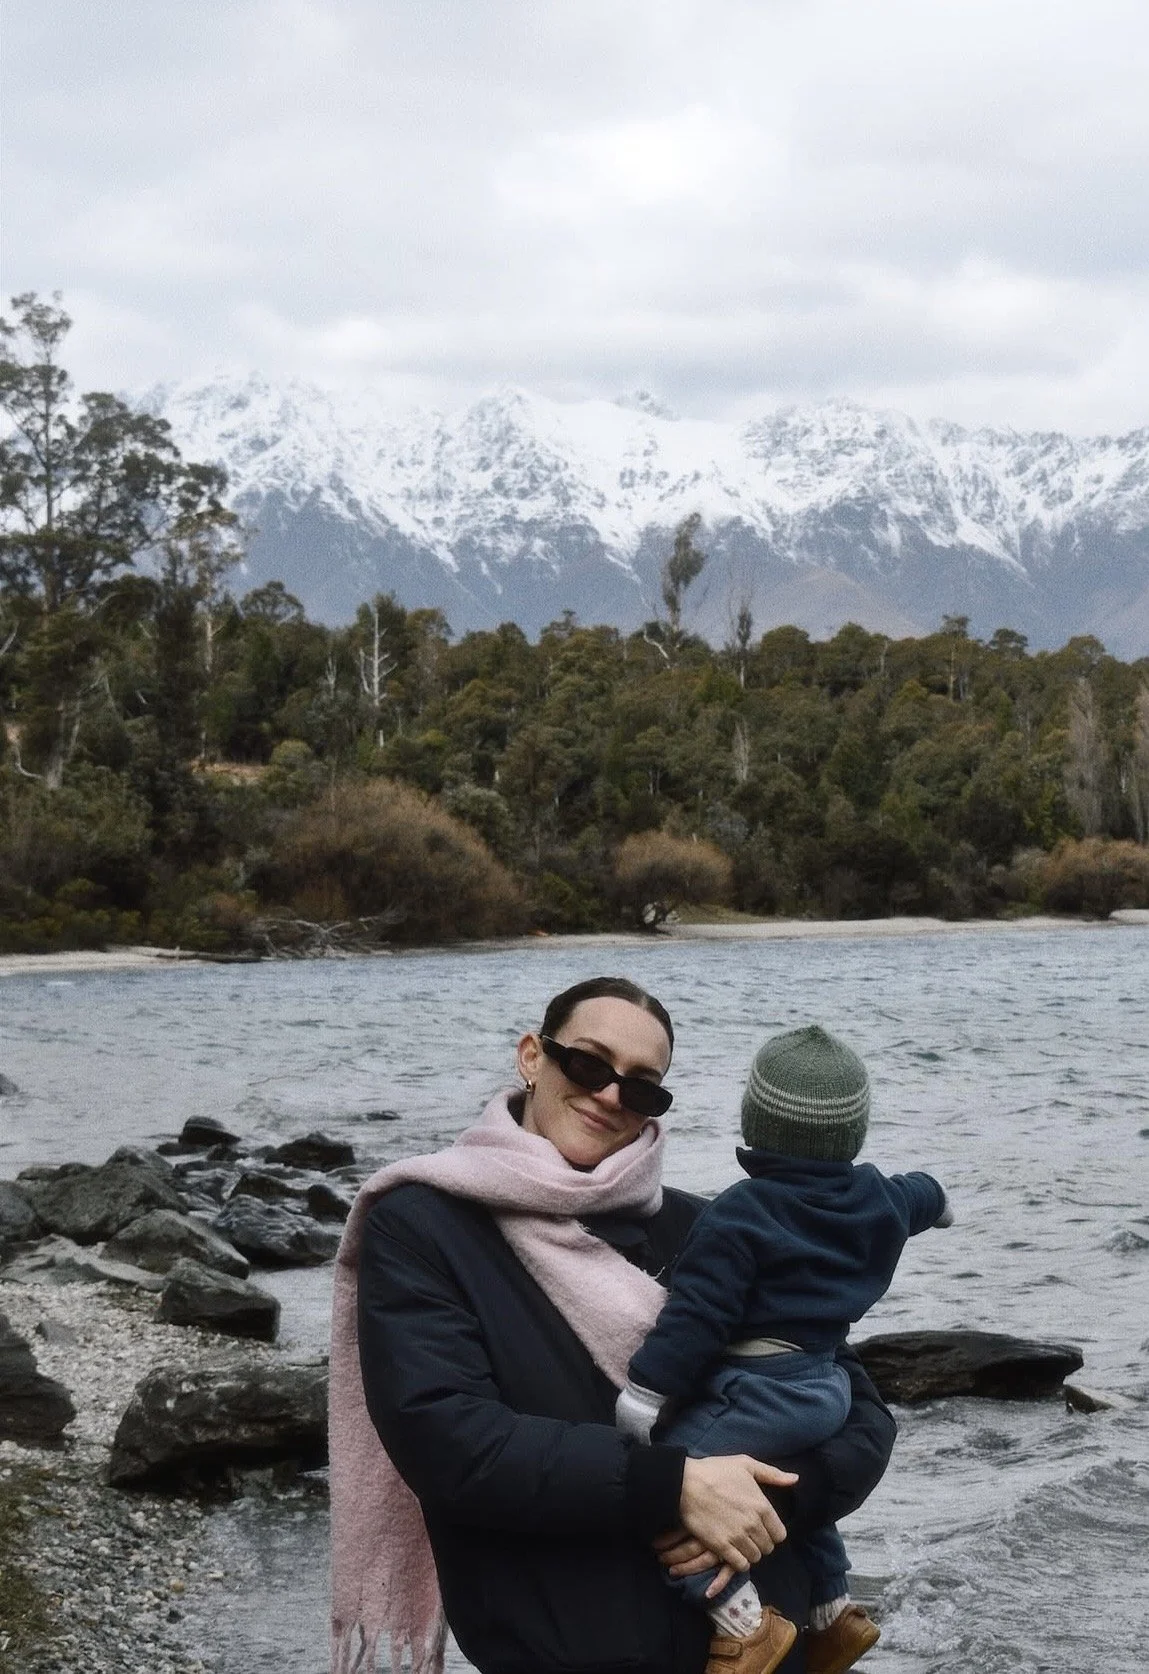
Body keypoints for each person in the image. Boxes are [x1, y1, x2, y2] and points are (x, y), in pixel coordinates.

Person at [330, 978, 898, 1674]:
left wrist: (774, 1495)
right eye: (588, 1064)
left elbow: (861, 1414)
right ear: (533, 1056)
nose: (608, 1095)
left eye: (641, 1087)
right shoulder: (424, 1225)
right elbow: (452, 1443)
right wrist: (673, 1486)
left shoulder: (709, 1225)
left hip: (765, 1653)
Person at [616, 1024, 953, 1674]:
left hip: (758, 1389)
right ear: (851, 1131)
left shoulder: (741, 1214)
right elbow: (925, 1193)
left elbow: (696, 1319)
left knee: (665, 1496)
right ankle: (833, 1615)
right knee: (786, 1482)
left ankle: (745, 1627)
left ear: (755, 1121)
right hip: (826, 1384)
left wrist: (643, 1395)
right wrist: (941, 1208)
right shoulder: (880, 1195)